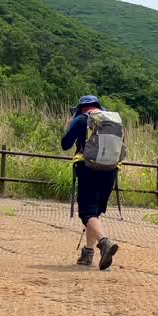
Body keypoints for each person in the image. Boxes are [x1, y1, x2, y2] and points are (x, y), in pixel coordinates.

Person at [61, 95, 121, 270]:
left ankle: (104, 242)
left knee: (87, 213)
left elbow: (65, 144)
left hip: (88, 170)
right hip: (110, 171)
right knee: (94, 213)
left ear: (81, 108)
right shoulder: (111, 121)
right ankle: (88, 253)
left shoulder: (81, 120)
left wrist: (70, 126)